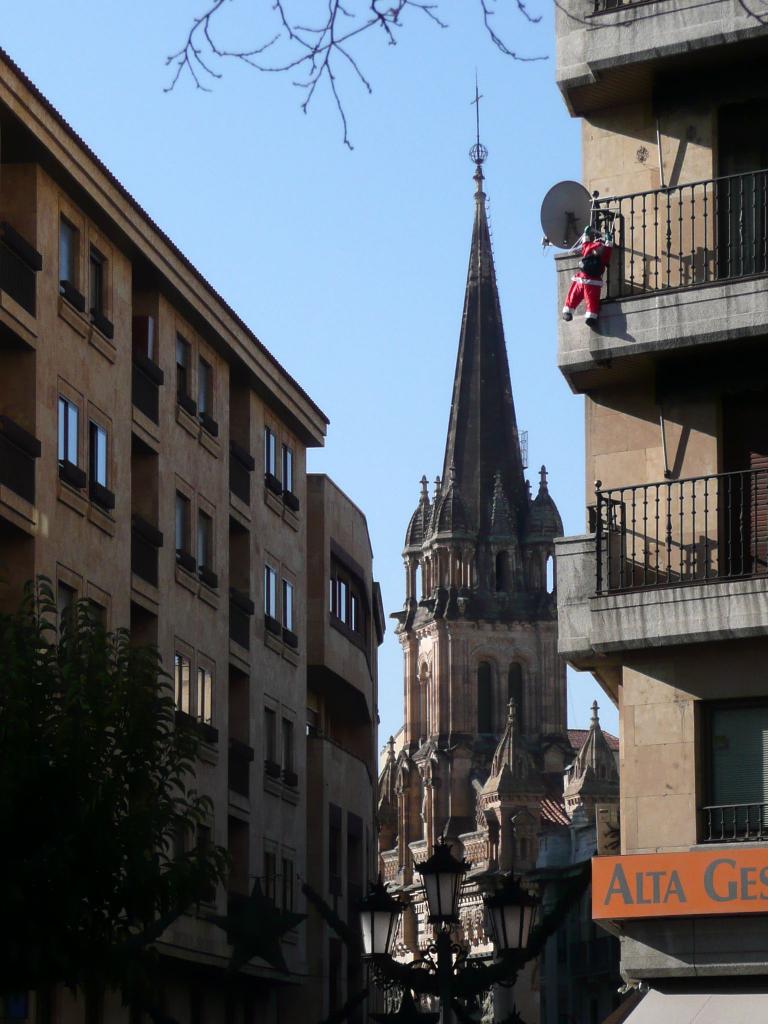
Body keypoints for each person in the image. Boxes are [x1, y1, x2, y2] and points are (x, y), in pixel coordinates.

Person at [562, 223, 613, 328]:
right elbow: (607, 248)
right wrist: (608, 239)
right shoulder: (600, 251)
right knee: (585, 298)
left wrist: (586, 233)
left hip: (586, 279)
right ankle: (587, 316)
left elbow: (586, 242)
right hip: (589, 281)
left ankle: (573, 312)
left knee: (579, 297)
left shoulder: (591, 248)